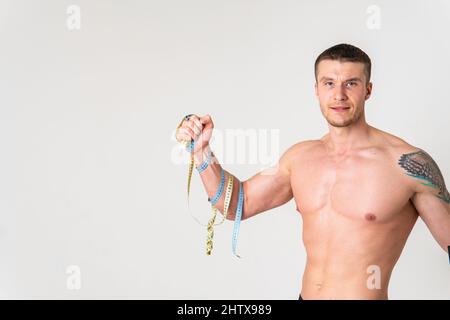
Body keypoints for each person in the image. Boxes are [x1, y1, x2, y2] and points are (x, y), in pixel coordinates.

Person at [174, 43, 450, 300]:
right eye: (329, 83)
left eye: (351, 83)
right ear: (316, 89)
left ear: (368, 90)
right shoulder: (300, 157)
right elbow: (236, 204)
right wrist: (200, 151)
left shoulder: (407, 164)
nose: (339, 94)